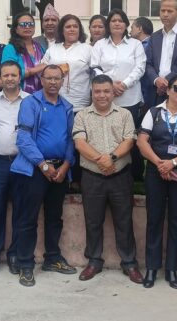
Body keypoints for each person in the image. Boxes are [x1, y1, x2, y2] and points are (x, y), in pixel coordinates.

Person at [10, 65, 77, 287]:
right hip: (35, 170)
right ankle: (25, 264)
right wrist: (43, 165)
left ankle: (53, 258)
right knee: (28, 219)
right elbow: (23, 139)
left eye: (57, 79)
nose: (53, 82)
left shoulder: (67, 107)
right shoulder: (31, 103)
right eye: (49, 78)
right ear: (41, 79)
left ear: (62, 81)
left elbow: (71, 140)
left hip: (59, 171)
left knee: (54, 217)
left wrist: (66, 165)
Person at [72, 74, 142, 283]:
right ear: (92, 93)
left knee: (124, 221)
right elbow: (79, 143)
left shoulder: (125, 114)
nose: (102, 95)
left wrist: (111, 158)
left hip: (120, 176)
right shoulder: (82, 115)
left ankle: (129, 263)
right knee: (93, 221)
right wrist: (101, 160)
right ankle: (94, 261)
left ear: (113, 93)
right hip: (92, 177)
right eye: (97, 91)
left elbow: (129, 141)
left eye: (106, 91)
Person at [137, 75, 177, 289]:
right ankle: (152, 268)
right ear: (168, 89)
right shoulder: (154, 112)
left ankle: (172, 269)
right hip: (156, 171)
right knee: (154, 219)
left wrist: (172, 163)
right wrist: (159, 163)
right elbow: (142, 141)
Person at [90, 9, 147, 181]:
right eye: (113, 20)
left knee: (130, 135)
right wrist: (110, 84)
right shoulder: (100, 45)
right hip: (105, 98)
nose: (117, 23)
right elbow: (94, 67)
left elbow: (140, 67)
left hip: (129, 97)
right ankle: (108, 166)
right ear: (108, 24)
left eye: (120, 20)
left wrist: (124, 84)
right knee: (108, 134)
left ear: (126, 24)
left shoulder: (135, 45)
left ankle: (134, 174)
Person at [0, 61, 29, 277]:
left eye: (13, 75)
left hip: (22, 161)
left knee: (20, 209)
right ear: (0, 78)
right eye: (6, 75)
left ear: (20, 77)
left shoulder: (30, 100)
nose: (9, 78)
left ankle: (14, 254)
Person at [41, 14, 92, 111]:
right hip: (53, 102)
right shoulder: (53, 49)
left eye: (75, 26)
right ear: (62, 30)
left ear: (80, 30)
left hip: (79, 105)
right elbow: (42, 70)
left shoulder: (88, 49)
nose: (72, 29)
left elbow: (96, 74)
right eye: (68, 27)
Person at [1, 12, 46, 94]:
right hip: (18, 95)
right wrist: (33, 70)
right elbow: (8, 73)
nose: (27, 27)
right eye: (23, 24)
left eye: (31, 24)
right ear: (16, 29)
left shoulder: (40, 47)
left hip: (41, 95)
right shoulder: (10, 48)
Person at [130, 16, 155, 111]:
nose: (130, 31)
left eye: (132, 27)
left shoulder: (146, 46)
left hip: (147, 91)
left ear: (140, 29)